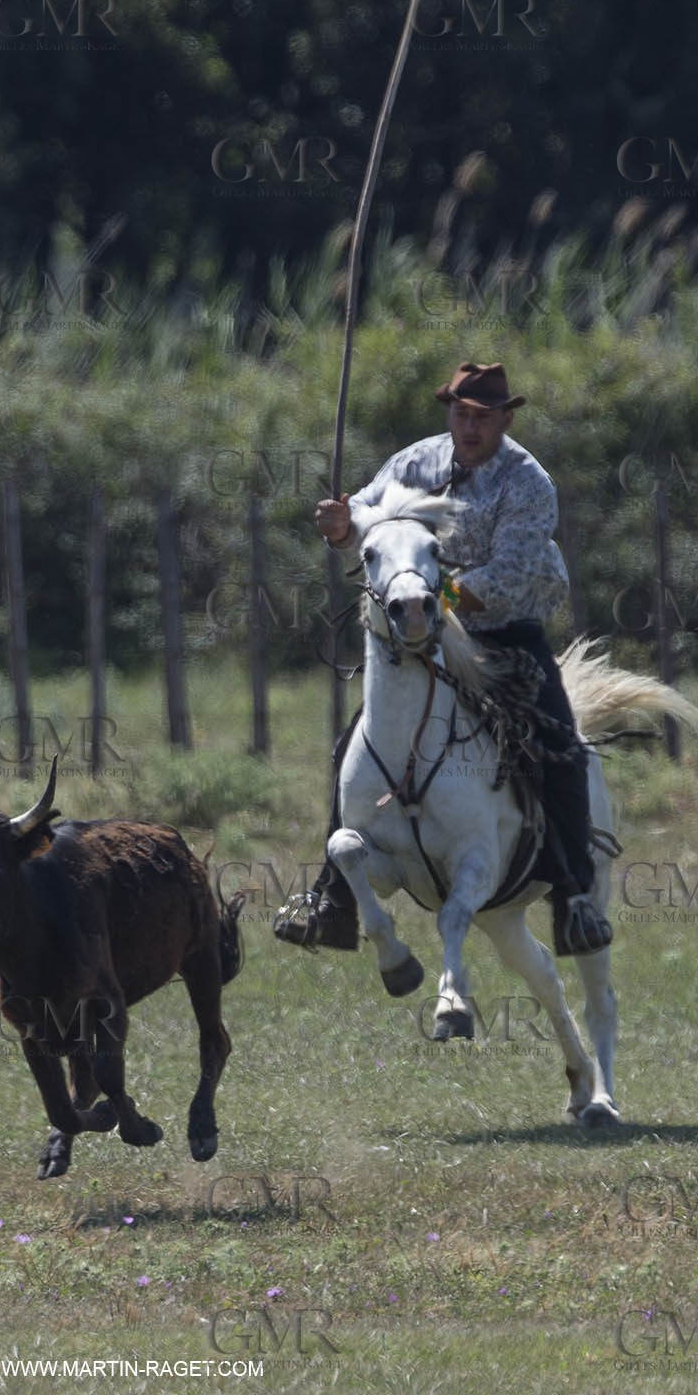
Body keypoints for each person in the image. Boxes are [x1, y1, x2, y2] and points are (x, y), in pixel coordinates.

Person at [286, 359, 613, 959]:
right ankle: (331, 896)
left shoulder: (528, 482)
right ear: (450, 414)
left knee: (559, 743)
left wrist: (434, 595)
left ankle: (572, 898)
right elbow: (366, 519)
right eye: (461, 414)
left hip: (503, 631)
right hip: (419, 631)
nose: (469, 426)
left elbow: (509, 575)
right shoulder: (414, 463)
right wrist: (339, 528)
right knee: (350, 745)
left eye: (483, 417)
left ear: (505, 419)